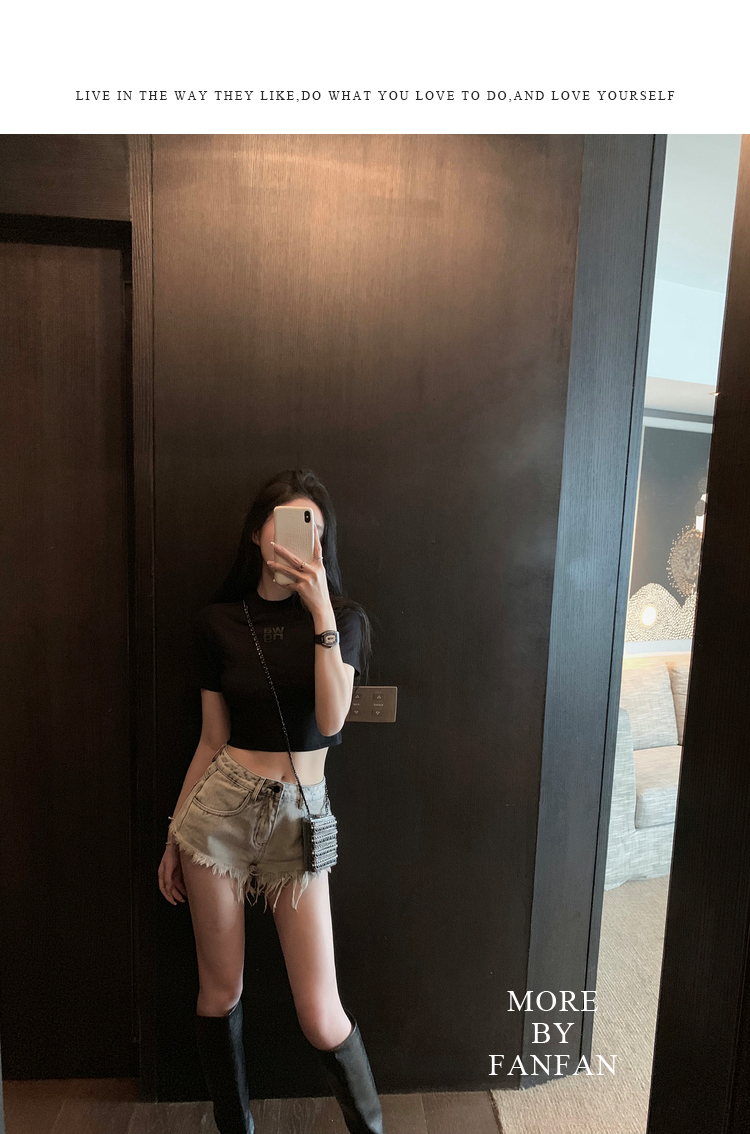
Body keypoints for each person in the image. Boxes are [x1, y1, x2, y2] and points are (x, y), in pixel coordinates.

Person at [157, 468, 384, 1134]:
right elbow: (211, 739)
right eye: (285, 524)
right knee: (219, 989)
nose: (297, 540)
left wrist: (320, 613)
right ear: (258, 534)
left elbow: (332, 722)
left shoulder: (343, 619)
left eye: (313, 529)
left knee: (320, 1013)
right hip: (218, 812)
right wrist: (174, 835)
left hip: (300, 816)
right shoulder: (217, 622)